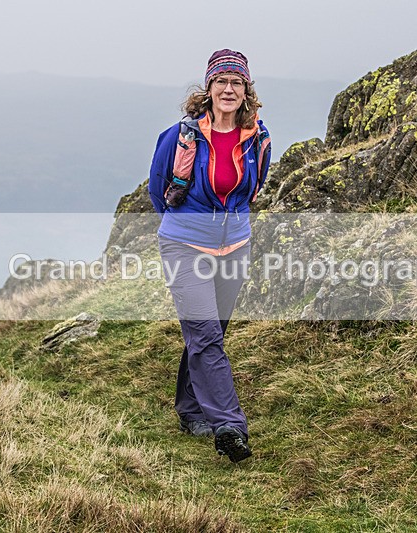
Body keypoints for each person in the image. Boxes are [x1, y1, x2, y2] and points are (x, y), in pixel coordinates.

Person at [147, 49, 272, 463]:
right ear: (209, 88)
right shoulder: (180, 136)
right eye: (222, 81)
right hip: (184, 245)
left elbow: (252, 191)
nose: (229, 89)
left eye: (237, 82)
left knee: (207, 334)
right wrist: (188, 228)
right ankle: (229, 426)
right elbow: (157, 189)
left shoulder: (258, 137)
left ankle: (189, 409)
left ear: (246, 91)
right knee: (205, 335)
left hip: (234, 246)